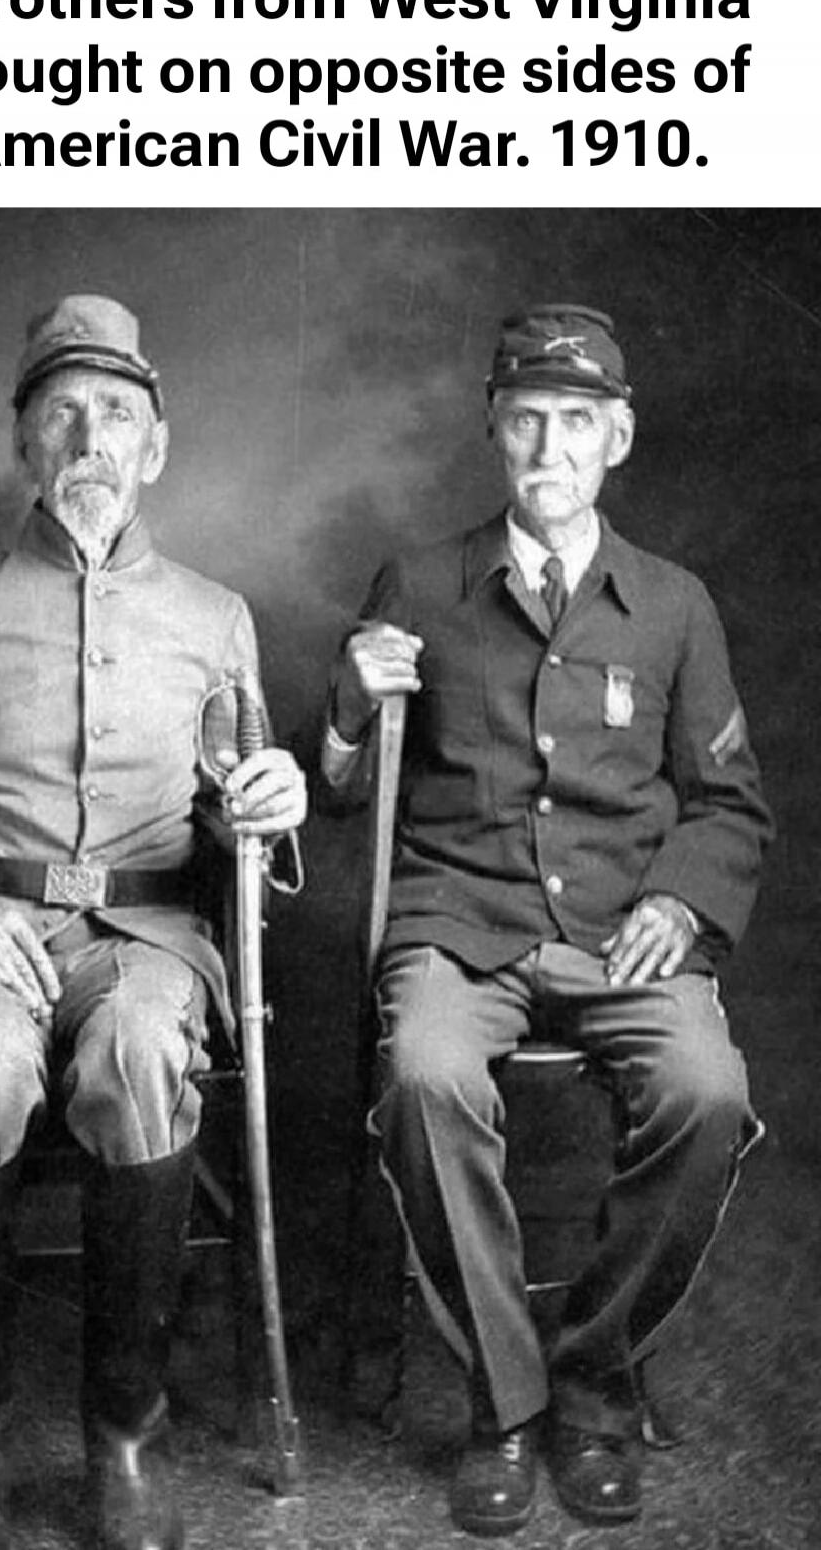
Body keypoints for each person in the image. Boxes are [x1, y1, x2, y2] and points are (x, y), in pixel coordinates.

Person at [0, 294, 306, 1550]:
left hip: (152, 942)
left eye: (116, 412)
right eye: (62, 412)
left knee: (145, 1053)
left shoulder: (217, 620)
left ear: (155, 448)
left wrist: (267, 804)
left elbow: (235, 811)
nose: (89, 435)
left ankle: (123, 1435)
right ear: (24, 445)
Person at [322, 304, 772, 1534]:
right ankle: (509, 1406)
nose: (550, 447)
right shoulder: (418, 581)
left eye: (578, 423)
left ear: (617, 439)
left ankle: (590, 1378)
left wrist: (680, 899)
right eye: (527, 420)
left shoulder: (674, 606)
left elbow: (731, 805)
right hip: (458, 929)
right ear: (493, 431)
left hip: (622, 932)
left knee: (708, 1094)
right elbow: (339, 788)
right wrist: (351, 711)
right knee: (422, 1075)